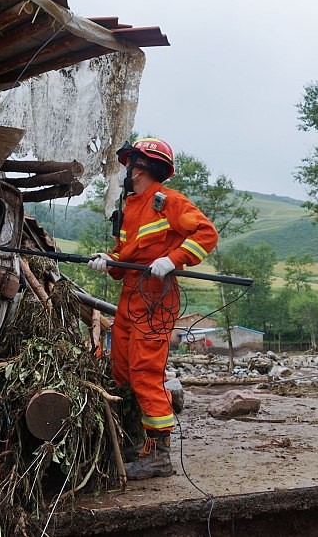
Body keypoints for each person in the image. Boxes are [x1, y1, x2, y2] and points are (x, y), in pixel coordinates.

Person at [88, 137, 218, 480]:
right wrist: (109, 261)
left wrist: (173, 260)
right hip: (131, 295)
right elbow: (123, 263)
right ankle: (142, 444)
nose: (123, 173)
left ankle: (159, 456)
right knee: (122, 371)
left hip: (156, 297)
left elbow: (207, 234)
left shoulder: (167, 201)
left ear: (140, 167)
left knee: (146, 373)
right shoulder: (130, 208)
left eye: (127, 166)